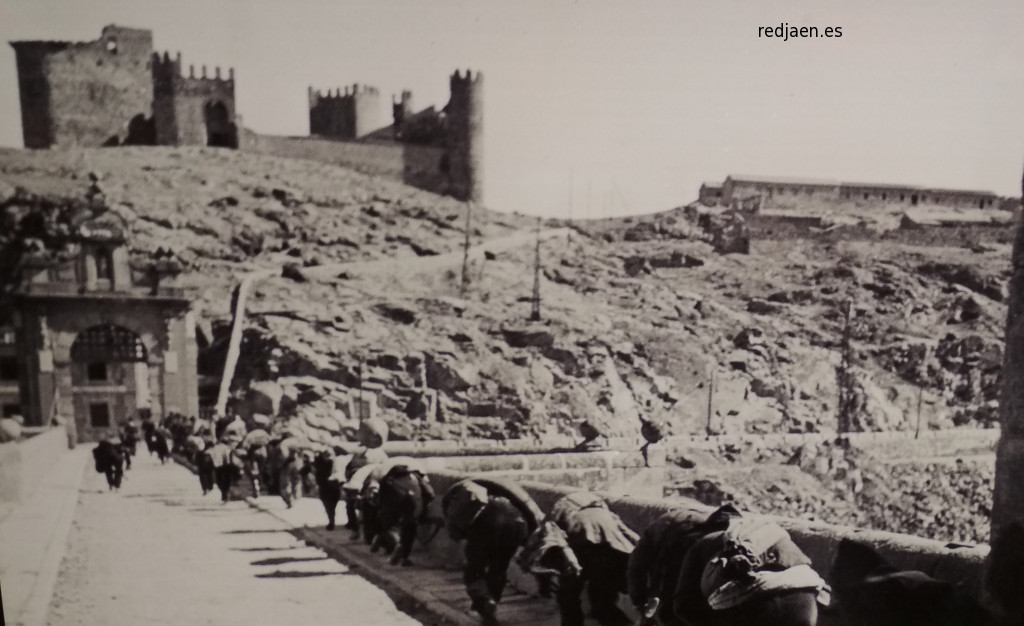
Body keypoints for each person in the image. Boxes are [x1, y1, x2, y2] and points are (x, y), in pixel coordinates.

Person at [519, 492, 638, 626]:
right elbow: (627, 535)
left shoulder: (554, 516)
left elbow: (548, 545)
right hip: (608, 540)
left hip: (581, 543)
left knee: (569, 599)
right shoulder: (599, 507)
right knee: (603, 602)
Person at [443, 479, 530, 626]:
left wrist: (461, 535)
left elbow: (453, 521)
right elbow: (527, 507)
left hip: (486, 526)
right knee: (499, 568)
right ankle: (492, 602)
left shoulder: (461, 493)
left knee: (473, 571)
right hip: (515, 523)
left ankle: (484, 601)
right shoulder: (504, 491)